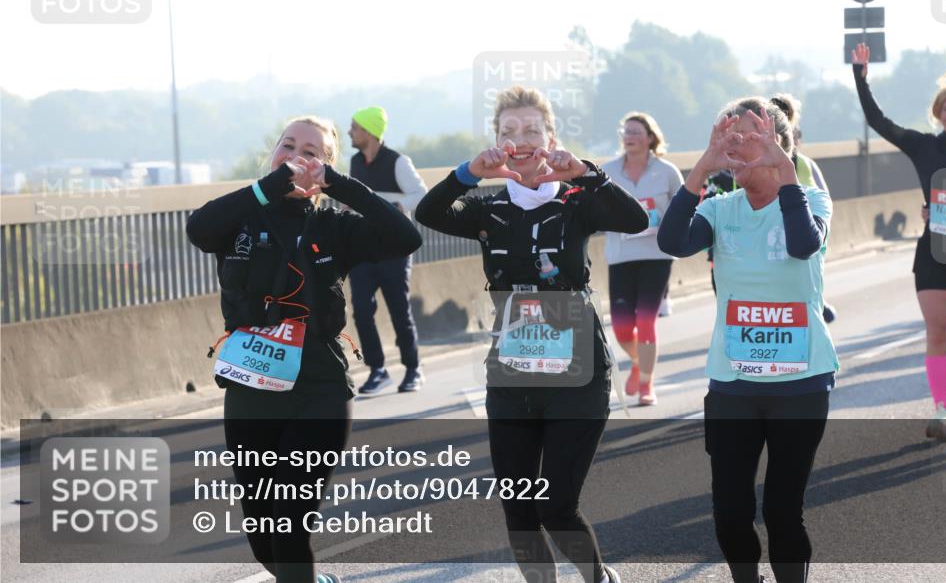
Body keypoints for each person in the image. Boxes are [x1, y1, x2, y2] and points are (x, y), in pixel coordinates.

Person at [415, 86, 646, 583]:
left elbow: (636, 219)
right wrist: (466, 174)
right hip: (512, 373)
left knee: (556, 507)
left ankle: (597, 578)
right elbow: (427, 215)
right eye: (507, 133)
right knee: (519, 510)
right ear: (496, 142)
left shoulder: (579, 201)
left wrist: (586, 172)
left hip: (578, 370)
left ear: (551, 138)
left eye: (531, 131)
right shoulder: (487, 208)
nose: (519, 141)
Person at [186, 116, 422, 583]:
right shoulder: (242, 216)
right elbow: (200, 228)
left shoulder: (337, 225)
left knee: (289, 523)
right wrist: (268, 187)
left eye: (313, 153)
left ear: (326, 169)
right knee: (264, 535)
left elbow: (405, 237)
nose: (297, 156)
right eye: (288, 146)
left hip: (320, 387)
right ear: (273, 156)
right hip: (250, 387)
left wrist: (339, 187)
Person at [658, 98, 837, 583]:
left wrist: (783, 169)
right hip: (733, 386)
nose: (735, 150)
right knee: (731, 515)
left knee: (782, 512)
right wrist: (702, 166)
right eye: (728, 140)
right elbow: (671, 242)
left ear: (779, 143)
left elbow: (802, 245)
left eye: (747, 138)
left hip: (800, 385)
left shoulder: (812, 200)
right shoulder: (719, 208)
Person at [852, 43, 946, 439]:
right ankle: (941, 410)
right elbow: (879, 121)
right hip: (933, 250)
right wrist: (861, 79)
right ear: (938, 113)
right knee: (937, 332)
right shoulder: (923, 146)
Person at [347, 106, 429, 393]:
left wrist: (395, 208)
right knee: (360, 311)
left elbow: (421, 195)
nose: (350, 132)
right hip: (362, 249)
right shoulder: (355, 163)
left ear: (369, 132)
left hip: (394, 249)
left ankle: (413, 368)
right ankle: (378, 369)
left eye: (354, 128)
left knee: (399, 311)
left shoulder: (398, 162)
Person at [603, 112, 683, 406]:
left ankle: (647, 384)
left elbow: (684, 207)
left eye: (637, 131)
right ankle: (639, 362)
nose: (630, 136)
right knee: (623, 327)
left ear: (650, 137)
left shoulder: (667, 171)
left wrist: (668, 223)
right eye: (626, 131)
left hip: (656, 254)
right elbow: (593, 211)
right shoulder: (607, 171)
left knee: (646, 321)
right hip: (620, 255)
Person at [770, 93, 837, 325]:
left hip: (801, 239)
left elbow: (825, 203)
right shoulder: (751, 165)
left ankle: (815, 301)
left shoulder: (805, 164)